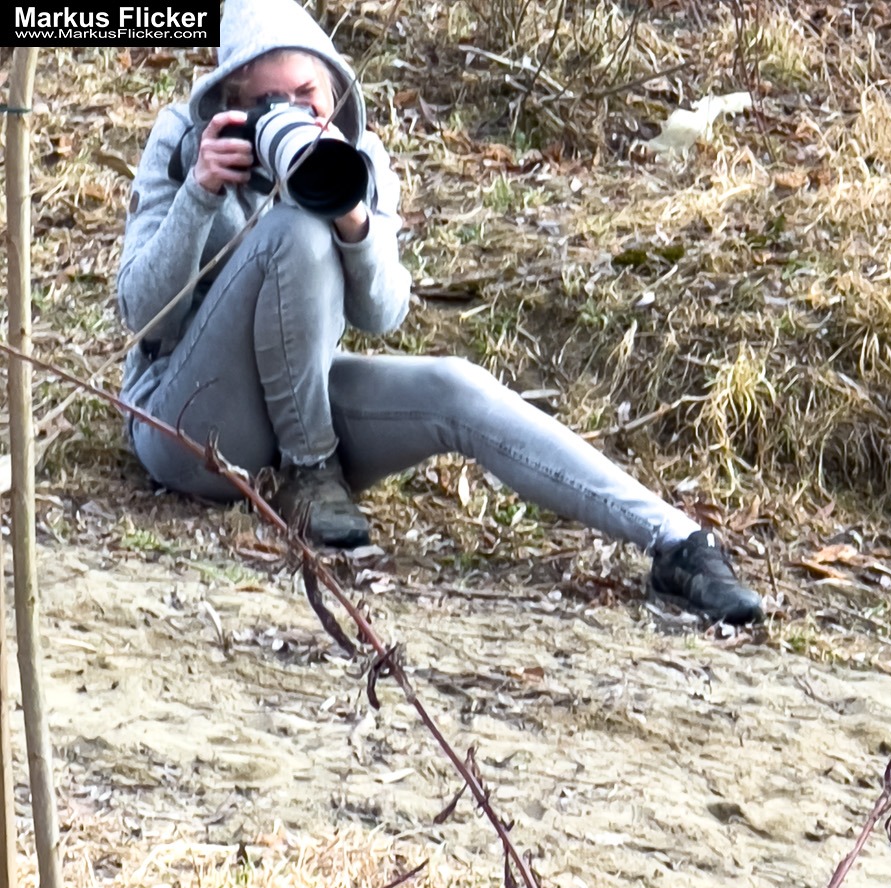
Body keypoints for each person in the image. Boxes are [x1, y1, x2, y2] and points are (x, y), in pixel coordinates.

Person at [115, 0, 764, 625]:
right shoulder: (186, 139)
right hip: (186, 427)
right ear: (231, 102)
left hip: (289, 410)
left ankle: (679, 544)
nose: (289, 115)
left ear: (335, 93)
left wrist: (353, 219)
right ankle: (312, 469)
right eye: (265, 103)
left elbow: (383, 314)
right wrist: (198, 194)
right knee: (292, 230)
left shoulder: (356, 160)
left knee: (454, 385)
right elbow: (144, 317)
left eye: (305, 97)